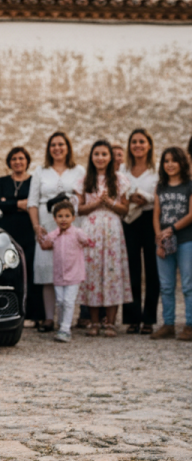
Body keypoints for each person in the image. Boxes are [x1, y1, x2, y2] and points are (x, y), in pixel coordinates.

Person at [28, 132, 86, 331]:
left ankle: (66, 319)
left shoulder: (78, 170)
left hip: (69, 224)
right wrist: (37, 227)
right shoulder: (40, 171)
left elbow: (82, 198)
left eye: (61, 144)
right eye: (53, 144)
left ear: (68, 147)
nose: (57, 148)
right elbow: (32, 203)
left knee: (68, 270)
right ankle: (48, 318)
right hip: (46, 223)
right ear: (48, 148)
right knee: (47, 272)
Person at [75, 140, 132, 336]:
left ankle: (110, 322)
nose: (100, 158)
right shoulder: (84, 180)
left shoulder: (119, 179)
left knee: (112, 272)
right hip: (91, 228)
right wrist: (96, 203)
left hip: (112, 229)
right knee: (92, 272)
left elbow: (125, 209)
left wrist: (108, 202)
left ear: (110, 157)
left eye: (104, 154)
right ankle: (94, 321)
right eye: (96, 154)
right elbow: (79, 209)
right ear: (92, 157)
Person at [0, 146, 44, 324]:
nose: (18, 162)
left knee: (30, 271)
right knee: (8, 271)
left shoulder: (33, 181)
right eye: (14, 159)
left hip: (28, 231)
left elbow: (35, 202)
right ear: (9, 162)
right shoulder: (3, 181)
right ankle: (7, 311)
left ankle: (32, 315)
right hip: (7, 232)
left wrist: (10, 203)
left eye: (21, 158)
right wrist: (21, 204)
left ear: (27, 161)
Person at [150, 147, 192, 341]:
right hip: (165, 241)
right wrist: (159, 237)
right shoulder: (161, 186)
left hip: (185, 241)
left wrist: (172, 229)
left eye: (174, 160)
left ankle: (190, 325)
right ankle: (168, 324)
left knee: (188, 285)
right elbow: (156, 214)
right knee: (166, 285)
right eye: (166, 161)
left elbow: (191, 214)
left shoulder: (189, 185)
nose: (170, 164)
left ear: (182, 163)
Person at [39, 200, 94, 343]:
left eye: (67, 216)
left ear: (73, 218)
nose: (63, 219)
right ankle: (62, 324)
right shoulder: (54, 234)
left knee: (69, 301)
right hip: (59, 275)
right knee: (60, 301)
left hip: (74, 274)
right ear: (55, 218)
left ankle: (65, 329)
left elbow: (88, 242)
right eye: (60, 216)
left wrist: (86, 238)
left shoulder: (77, 232)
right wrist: (43, 236)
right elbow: (45, 245)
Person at [122, 129, 160, 334]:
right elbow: (116, 191)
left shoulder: (156, 170)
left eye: (142, 142)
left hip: (151, 219)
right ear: (130, 146)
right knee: (131, 270)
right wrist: (129, 198)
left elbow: (161, 194)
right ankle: (132, 317)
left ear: (149, 145)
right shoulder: (122, 169)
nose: (138, 145)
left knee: (153, 270)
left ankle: (149, 319)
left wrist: (146, 197)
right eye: (134, 141)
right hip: (129, 221)